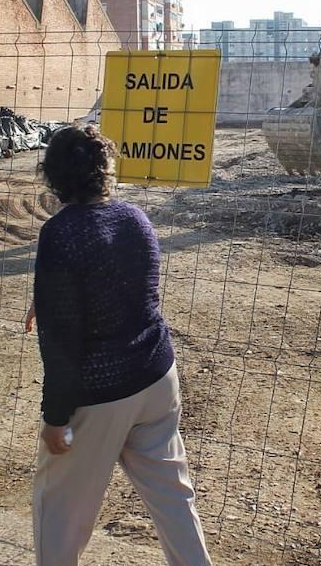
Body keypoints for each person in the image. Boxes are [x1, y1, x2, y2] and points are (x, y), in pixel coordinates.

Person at [27, 125, 211, 566]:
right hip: (156, 378)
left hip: (101, 395)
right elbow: (121, 284)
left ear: (53, 176)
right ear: (105, 171)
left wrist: (55, 418)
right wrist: (48, 299)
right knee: (173, 498)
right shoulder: (135, 218)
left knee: (59, 513)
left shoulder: (61, 233)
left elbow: (61, 344)